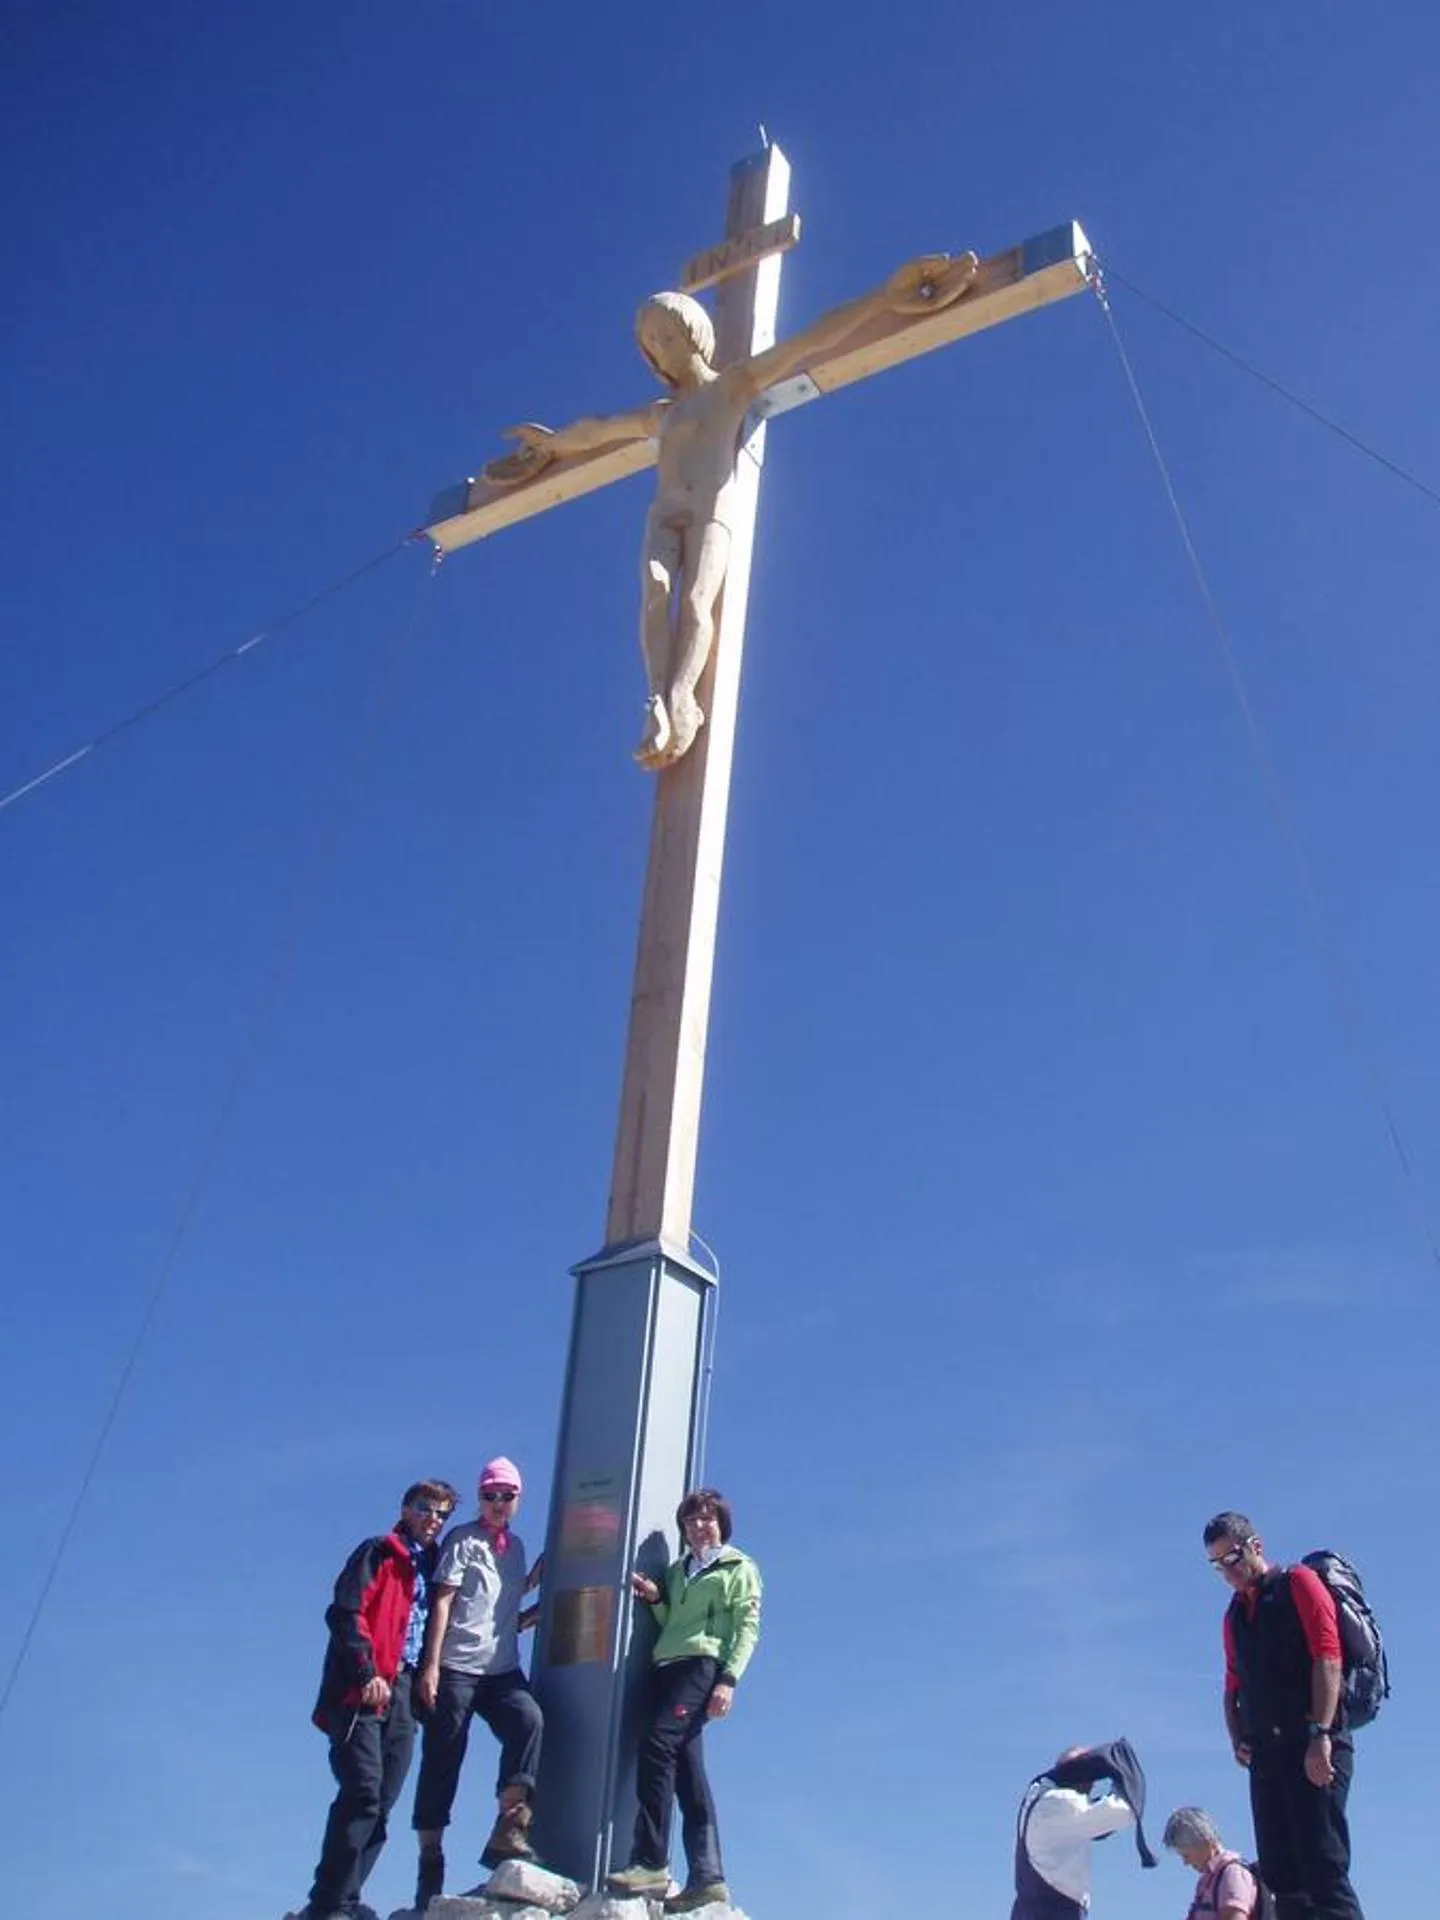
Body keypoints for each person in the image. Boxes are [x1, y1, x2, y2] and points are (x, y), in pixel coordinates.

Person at [487, 250, 980, 770]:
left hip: (710, 505)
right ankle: (656, 700)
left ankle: (683, 696)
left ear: (694, 334)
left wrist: (882, 298)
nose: (662, 349)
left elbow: (812, 339)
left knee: (696, 600)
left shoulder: (733, 385)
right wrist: (553, 445)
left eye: (668, 335)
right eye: (653, 344)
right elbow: (598, 430)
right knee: (655, 590)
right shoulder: (662, 414)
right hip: (666, 509)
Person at [287, 1476, 458, 1920]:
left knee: (382, 1801)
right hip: (361, 1689)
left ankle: (342, 1899)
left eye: (441, 1514)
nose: (432, 1519)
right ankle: (329, 1905)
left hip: (404, 1692)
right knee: (361, 1790)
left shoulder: (436, 1567)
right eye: (424, 1508)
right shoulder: (379, 1552)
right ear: (405, 1509)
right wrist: (366, 1672)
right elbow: (345, 1612)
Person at [606, 1487, 762, 1913]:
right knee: (688, 1772)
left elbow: (747, 1629)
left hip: (702, 1667)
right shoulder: (679, 1570)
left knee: (656, 1745)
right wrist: (657, 1599)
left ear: (721, 1522)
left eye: (706, 1518)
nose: (698, 1527)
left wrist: (728, 1680)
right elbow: (672, 1619)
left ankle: (651, 1861)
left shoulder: (739, 1567)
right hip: (665, 1667)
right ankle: (708, 1876)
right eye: (690, 1521)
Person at [1203, 1511, 1366, 1920]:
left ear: (1255, 1546)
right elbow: (1232, 1683)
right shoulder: (1234, 1615)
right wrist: (1237, 1737)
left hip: (1313, 1745)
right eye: (1217, 1565)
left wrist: (1321, 1734)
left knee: (1322, 1867)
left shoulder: (1299, 1583)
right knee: (1280, 1875)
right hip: (1267, 1756)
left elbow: (1327, 1658)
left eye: (1232, 1557)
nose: (1227, 1571)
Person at [410, 1457, 545, 1911]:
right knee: (443, 1757)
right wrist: (431, 1666)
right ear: (480, 1497)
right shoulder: (462, 1539)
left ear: (518, 1499)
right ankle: (430, 1859)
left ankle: (509, 1825)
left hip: (500, 1670)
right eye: (490, 1495)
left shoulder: (517, 1547)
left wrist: (537, 1584)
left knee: (529, 1720)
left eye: (507, 1495)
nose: (498, 1503)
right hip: (456, 1667)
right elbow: (443, 1601)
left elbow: (506, 1602)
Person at [1011, 1739, 1157, 1920]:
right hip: (1053, 1911)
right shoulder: (1060, 1802)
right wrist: (1122, 1768)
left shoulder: (1039, 1799)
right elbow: (1124, 1811)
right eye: (1090, 1777)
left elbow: (1098, 1824)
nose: (1092, 1785)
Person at [1162, 1807, 1261, 1919]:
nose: (1186, 1863)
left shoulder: (1232, 1874)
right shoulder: (1207, 1882)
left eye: (1186, 1855)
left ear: (1205, 1841)